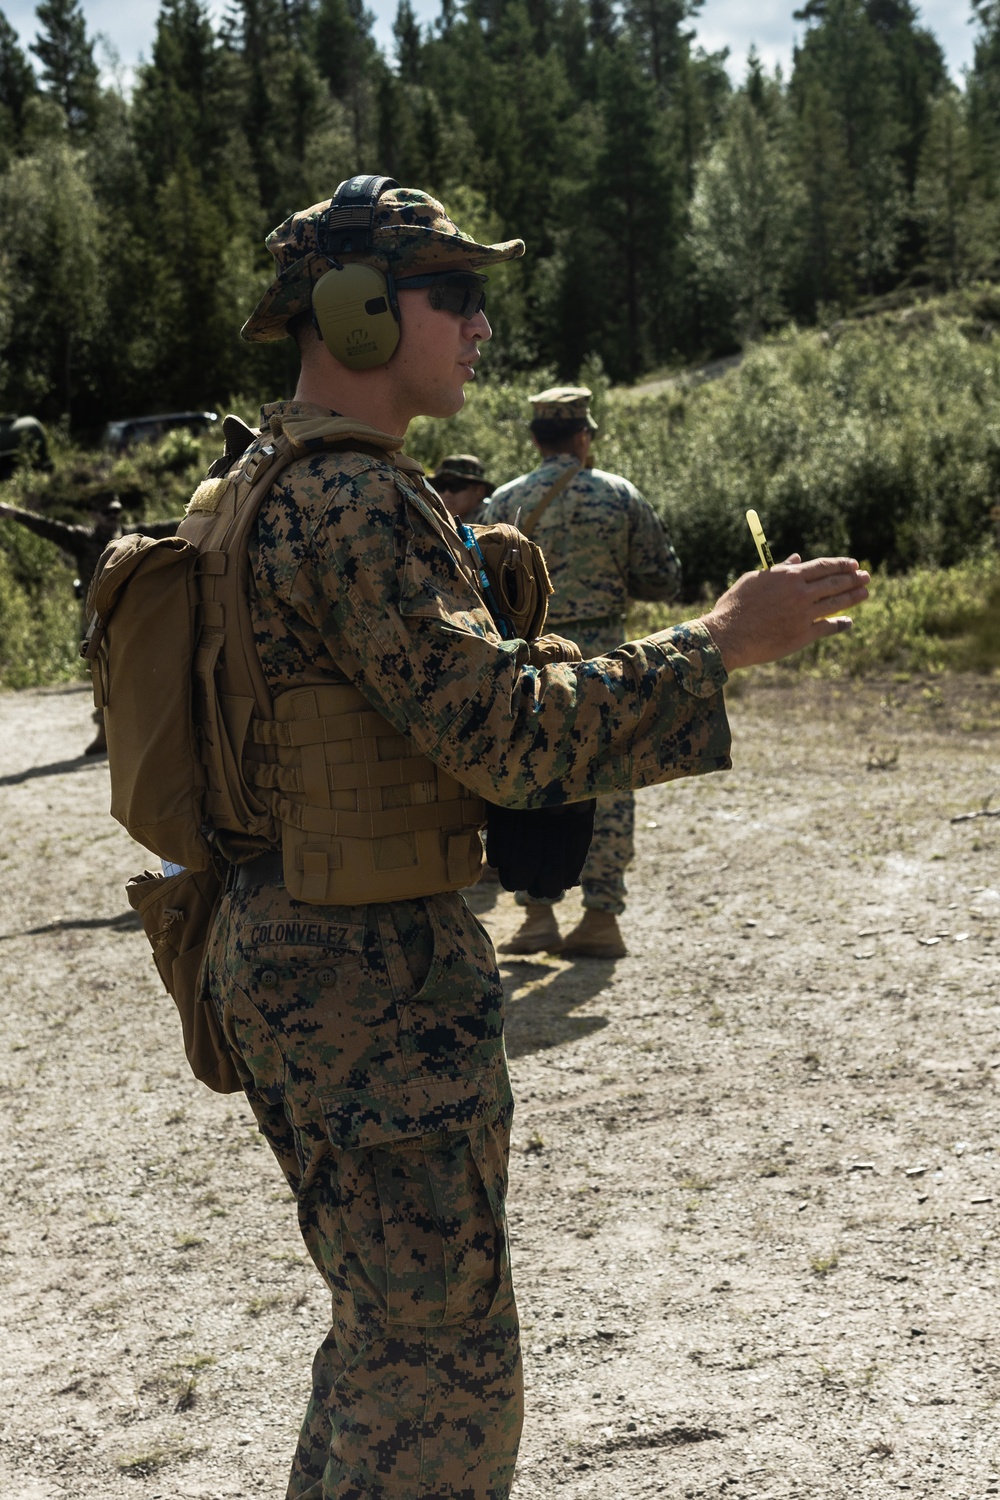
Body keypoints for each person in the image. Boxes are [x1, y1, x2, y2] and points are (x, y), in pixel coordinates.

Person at [197, 175, 868, 1500]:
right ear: (360, 309)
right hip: (367, 982)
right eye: (457, 295)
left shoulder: (262, 482)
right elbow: (501, 735)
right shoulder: (355, 502)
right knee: (445, 1383)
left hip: (309, 959)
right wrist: (718, 641)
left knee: (382, 1345)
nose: (483, 325)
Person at [486, 386, 681, 958]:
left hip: (531, 656)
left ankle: (536, 915)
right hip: (604, 656)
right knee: (610, 776)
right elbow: (661, 577)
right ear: (583, 436)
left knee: (528, 772)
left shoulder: (505, 502)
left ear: (534, 438)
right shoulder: (618, 495)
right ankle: (601, 917)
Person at [0, 495, 179, 753]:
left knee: (139, 673)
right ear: (93, 514)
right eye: (107, 512)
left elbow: (171, 526)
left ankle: (141, 732)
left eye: (116, 511)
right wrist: (12, 513)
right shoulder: (81, 539)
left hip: (131, 618)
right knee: (103, 676)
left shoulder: (134, 537)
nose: (113, 517)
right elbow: (47, 526)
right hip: (98, 621)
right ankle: (106, 732)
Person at [429, 452, 495, 520]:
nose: (446, 494)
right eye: (440, 486)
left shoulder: (494, 517)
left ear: (479, 491)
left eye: (455, 486)